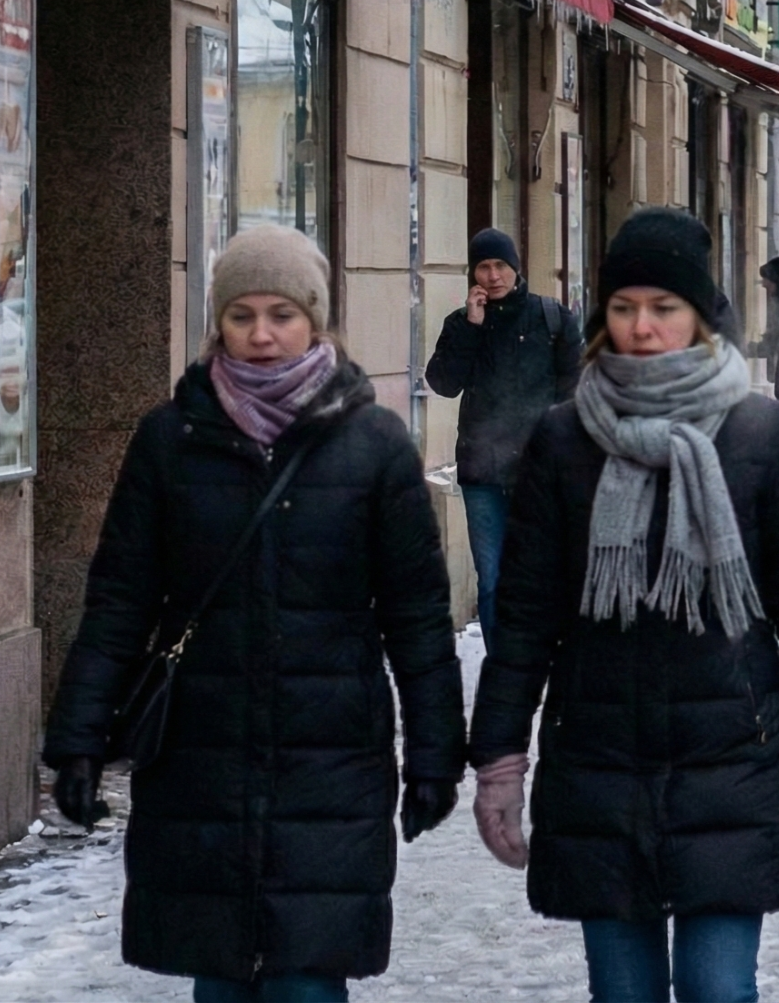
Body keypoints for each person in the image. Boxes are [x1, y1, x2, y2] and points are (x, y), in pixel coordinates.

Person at [43, 226, 464, 1002]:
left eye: (281, 314)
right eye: (242, 315)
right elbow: (118, 601)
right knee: (222, 976)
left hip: (331, 756)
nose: (262, 334)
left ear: (315, 319)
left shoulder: (373, 446)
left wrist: (436, 756)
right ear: (218, 323)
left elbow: (418, 618)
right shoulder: (169, 441)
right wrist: (77, 740)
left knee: (308, 980)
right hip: (203, 758)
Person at [467, 208, 779, 1003]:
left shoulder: (763, 433)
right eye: (623, 309)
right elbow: (524, 619)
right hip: (598, 756)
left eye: (662, 308)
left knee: (718, 990)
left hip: (733, 753)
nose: (642, 327)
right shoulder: (563, 438)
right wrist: (500, 759)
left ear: (700, 317)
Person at [424, 227, 583, 653]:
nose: (493, 275)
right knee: (492, 578)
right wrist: (472, 328)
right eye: (484, 266)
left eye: (501, 265)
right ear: (473, 272)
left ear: (516, 267)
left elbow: (576, 393)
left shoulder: (553, 318)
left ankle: (543, 656)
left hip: (538, 473)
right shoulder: (461, 324)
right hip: (482, 473)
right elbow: (442, 383)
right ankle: (505, 671)